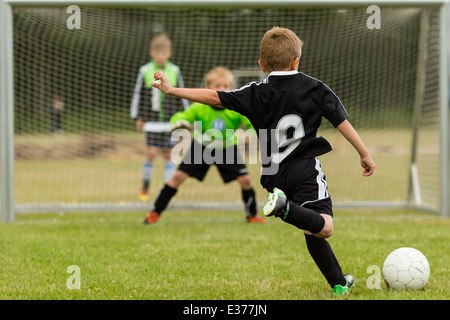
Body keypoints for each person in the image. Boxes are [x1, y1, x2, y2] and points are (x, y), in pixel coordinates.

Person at [150, 27, 376, 295]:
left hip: (272, 174)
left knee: (309, 227)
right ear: (296, 60)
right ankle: (284, 208)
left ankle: (339, 284)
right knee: (324, 226)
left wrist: (172, 90)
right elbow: (341, 122)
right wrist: (364, 153)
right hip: (303, 168)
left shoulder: (254, 92)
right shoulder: (316, 88)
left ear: (261, 65)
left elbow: (213, 97)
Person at [143, 67, 264, 225]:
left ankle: (252, 215)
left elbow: (252, 121)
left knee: (246, 180)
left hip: (227, 148)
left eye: (226, 86)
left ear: (232, 88)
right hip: (202, 147)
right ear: (208, 88)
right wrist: (178, 122)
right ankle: (155, 212)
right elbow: (181, 116)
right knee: (177, 177)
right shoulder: (200, 106)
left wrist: (260, 130)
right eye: (217, 86)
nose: (222, 89)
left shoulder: (235, 108)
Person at [130, 33, 189, 201]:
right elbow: (138, 95)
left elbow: (182, 95)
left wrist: (184, 117)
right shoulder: (145, 70)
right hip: (151, 122)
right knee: (151, 152)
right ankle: (145, 186)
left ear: (169, 53)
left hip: (169, 122)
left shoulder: (175, 70)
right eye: (158, 53)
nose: (161, 56)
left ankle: (166, 191)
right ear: (152, 53)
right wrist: (137, 117)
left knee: (169, 155)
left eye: (164, 53)